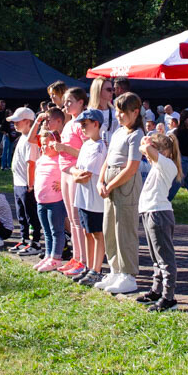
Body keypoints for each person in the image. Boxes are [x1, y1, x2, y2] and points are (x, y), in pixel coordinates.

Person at [97, 92, 144, 294]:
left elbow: (132, 167)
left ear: (135, 112)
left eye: (123, 112)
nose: (118, 115)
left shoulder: (137, 135)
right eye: (117, 111)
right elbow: (108, 160)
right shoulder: (118, 132)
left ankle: (128, 274)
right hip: (110, 181)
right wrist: (101, 181)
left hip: (125, 184)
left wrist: (110, 185)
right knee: (109, 227)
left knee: (124, 228)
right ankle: (115, 269)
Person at [136, 132, 181, 312]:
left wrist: (147, 145)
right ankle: (156, 290)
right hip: (150, 211)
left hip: (159, 213)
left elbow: (145, 148)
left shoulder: (168, 165)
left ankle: (169, 297)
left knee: (165, 258)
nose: (147, 155)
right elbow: (145, 148)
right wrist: (148, 144)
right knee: (156, 258)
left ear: (164, 151)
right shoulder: (157, 165)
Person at [69, 109, 107, 281]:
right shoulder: (86, 145)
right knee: (87, 232)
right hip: (83, 197)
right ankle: (88, 266)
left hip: (95, 200)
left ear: (96, 124)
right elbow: (77, 169)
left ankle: (96, 270)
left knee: (97, 233)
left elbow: (86, 175)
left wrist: (75, 174)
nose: (82, 128)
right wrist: (75, 173)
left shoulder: (99, 147)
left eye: (85, 124)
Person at [57, 88, 88, 270]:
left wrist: (64, 149)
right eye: (65, 101)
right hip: (65, 172)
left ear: (81, 102)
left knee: (77, 219)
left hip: (75, 172)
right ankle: (76, 257)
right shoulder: (69, 123)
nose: (66, 105)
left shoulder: (82, 124)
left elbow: (87, 152)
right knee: (71, 218)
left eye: (70, 101)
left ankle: (83, 260)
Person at [7, 107, 42, 255]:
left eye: (18, 121)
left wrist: (30, 184)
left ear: (28, 122)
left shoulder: (31, 141)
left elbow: (31, 163)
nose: (15, 124)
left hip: (27, 185)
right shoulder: (22, 137)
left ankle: (35, 243)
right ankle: (25, 239)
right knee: (21, 214)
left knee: (31, 215)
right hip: (18, 182)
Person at [33, 121, 67, 272]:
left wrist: (62, 182)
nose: (44, 147)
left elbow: (68, 172)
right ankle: (48, 255)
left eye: (47, 144)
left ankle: (56, 258)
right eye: (42, 144)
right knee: (46, 231)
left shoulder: (60, 159)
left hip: (55, 201)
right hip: (41, 201)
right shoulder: (42, 159)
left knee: (56, 230)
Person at [88, 77, 118, 144]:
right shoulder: (90, 114)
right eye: (109, 89)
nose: (112, 92)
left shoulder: (115, 111)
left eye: (113, 89)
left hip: (114, 148)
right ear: (98, 90)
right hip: (98, 148)